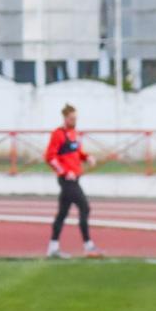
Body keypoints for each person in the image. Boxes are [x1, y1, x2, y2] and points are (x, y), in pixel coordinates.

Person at [45, 104, 100, 258]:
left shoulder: (74, 134)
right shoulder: (58, 134)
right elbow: (50, 157)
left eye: (75, 118)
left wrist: (87, 157)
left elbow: (76, 152)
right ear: (65, 118)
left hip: (75, 177)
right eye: (71, 118)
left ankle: (53, 247)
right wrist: (64, 171)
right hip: (67, 180)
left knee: (62, 213)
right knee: (85, 207)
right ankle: (88, 245)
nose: (74, 121)